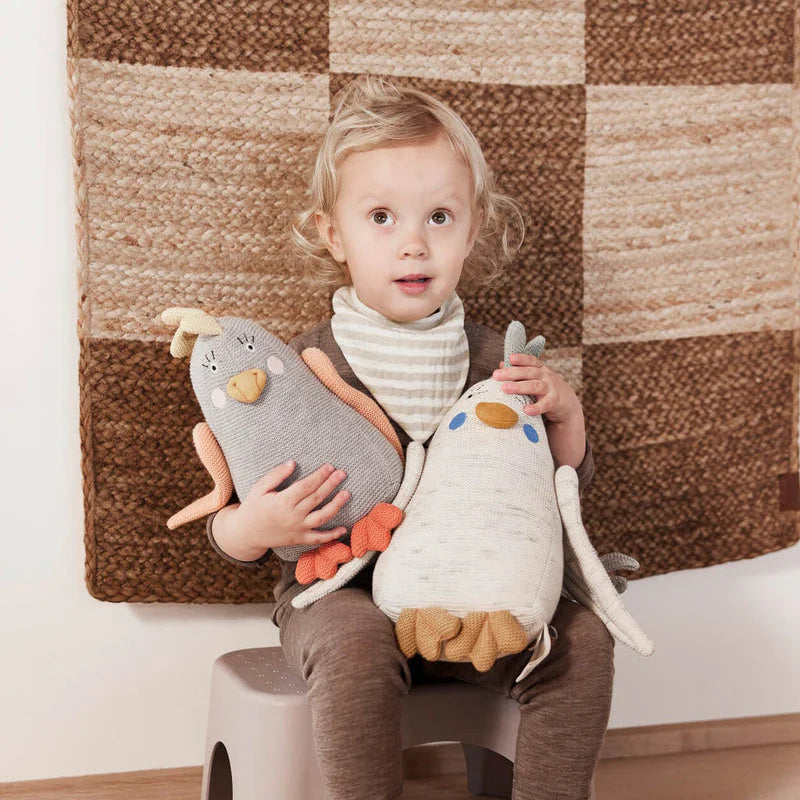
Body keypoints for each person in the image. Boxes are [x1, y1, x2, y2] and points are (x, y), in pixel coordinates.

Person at [206, 75, 613, 800]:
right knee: (353, 644)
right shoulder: (299, 368)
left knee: (580, 643)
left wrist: (567, 424)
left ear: (473, 229)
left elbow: (547, 498)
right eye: (383, 218)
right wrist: (252, 525)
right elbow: (226, 516)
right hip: (341, 596)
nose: (415, 244)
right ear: (335, 234)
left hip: (480, 600)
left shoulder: (496, 362)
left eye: (440, 217)